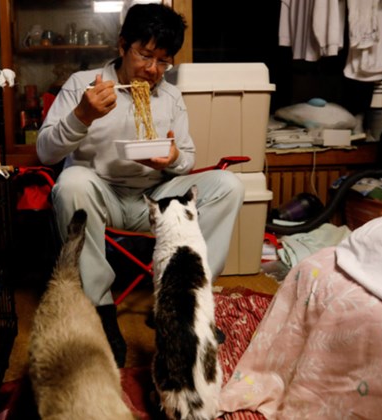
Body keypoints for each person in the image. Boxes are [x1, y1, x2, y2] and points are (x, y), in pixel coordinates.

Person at [36, 3, 244, 367]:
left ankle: (185, 303)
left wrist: (174, 159)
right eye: (145, 55)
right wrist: (81, 116)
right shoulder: (82, 86)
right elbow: (45, 153)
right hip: (101, 193)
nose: (152, 70)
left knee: (229, 185)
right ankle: (100, 310)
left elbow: (188, 157)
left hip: (156, 196)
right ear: (121, 45)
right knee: (71, 182)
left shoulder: (170, 96)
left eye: (164, 61)